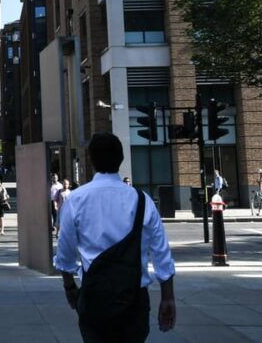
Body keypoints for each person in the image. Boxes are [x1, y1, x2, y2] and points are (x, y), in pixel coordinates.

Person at [54, 132, 176, 342]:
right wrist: (167, 296)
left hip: (94, 297)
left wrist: (70, 287)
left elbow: (65, 252)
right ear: (121, 159)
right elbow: (161, 252)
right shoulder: (142, 200)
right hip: (134, 299)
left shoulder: (76, 199)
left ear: (91, 160)